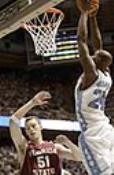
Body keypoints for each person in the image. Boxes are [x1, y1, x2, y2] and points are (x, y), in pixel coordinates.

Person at [75, 0, 114, 175]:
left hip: (93, 135)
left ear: (96, 62)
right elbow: (98, 45)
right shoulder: (106, 74)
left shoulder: (91, 74)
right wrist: (93, 18)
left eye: (94, 56)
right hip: (106, 129)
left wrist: (83, 13)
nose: (92, 53)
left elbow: (81, 40)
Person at [9, 90, 81, 175]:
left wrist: (68, 142)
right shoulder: (24, 147)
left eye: (33, 126)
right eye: (27, 128)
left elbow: (79, 157)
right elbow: (13, 121)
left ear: (40, 127)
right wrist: (32, 103)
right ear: (26, 132)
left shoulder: (55, 147)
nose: (31, 129)